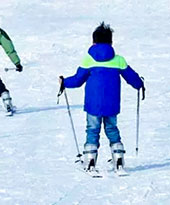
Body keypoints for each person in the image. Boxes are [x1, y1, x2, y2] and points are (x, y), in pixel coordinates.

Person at [60, 22, 144, 173]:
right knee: (112, 128)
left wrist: (64, 82)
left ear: (94, 41)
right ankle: (118, 159)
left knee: (92, 130)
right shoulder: (118, 60)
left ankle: (90, 161)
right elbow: (132, 77)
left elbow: (78, 80)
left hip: (93, 105)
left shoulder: (88, 60)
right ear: (111, 42)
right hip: (112, 104)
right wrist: (139, 83)